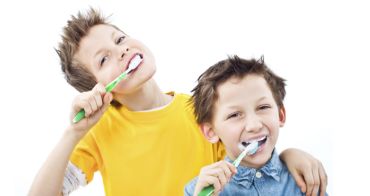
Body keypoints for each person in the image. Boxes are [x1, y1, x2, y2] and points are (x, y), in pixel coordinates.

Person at [28, 8, 327, 196]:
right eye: (104, 58)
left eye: (119, 39)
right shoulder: (99, 131)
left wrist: (289, 155)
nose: (121, 51)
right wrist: (73, 133)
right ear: (97, 88)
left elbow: (251, 151)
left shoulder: (201, 114)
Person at [185, 55, 328, 196]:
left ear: (280, 115)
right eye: (234, 115)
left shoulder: (306, 179)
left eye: (263, 107)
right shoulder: (197, 191)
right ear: (210, 132)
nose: (254, 125)